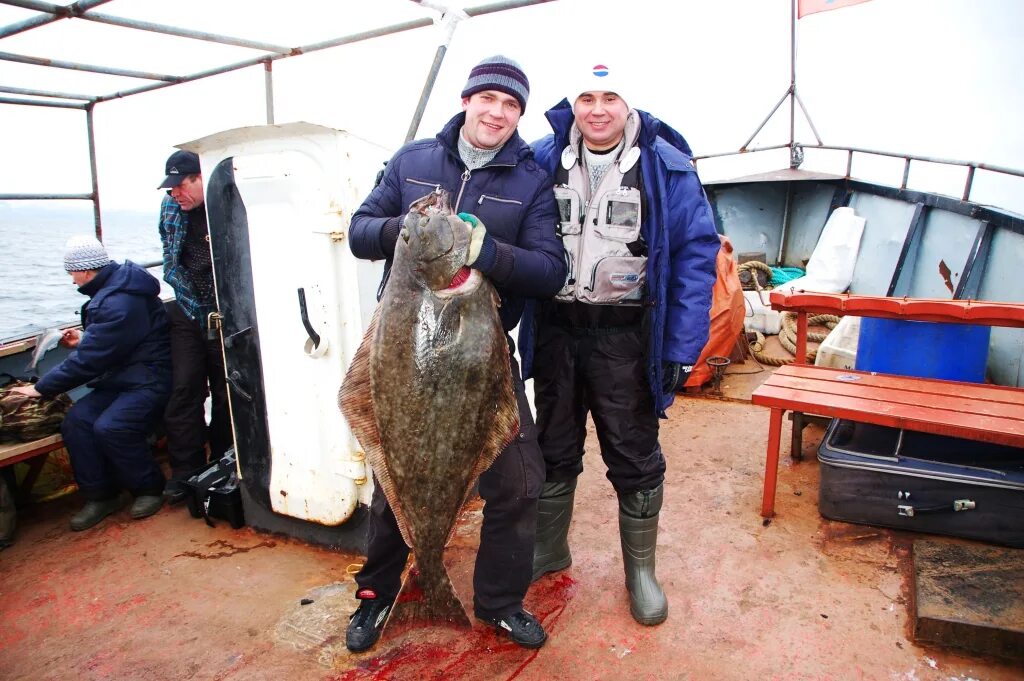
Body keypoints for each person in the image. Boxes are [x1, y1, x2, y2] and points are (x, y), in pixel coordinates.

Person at [343, 55, 565, 653]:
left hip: (479, 357)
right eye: (487, 98)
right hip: (402, 352)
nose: (497, 112)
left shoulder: (531, 180)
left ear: (519, 115)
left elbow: (549, 272)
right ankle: (377, 594)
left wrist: (485, 252)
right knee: (400, 477)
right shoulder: (413, 160)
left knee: (521, 480)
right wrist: (407, 233)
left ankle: (499, 602)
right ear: (467, 100)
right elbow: (361, 231)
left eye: (511, 105)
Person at [523, 62, 720, 626]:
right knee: (553, 447)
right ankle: (549, 547)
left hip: (626, 340)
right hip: (556, 332)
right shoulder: (539, 157)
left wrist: (682, 348)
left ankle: (641, 571)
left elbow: (694, 256)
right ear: (573, 103)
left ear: (627, 103)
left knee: (633, 455)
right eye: (586, 97)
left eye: (610, 97)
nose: (597, 109)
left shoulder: (665, 166)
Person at [11, 236, 172, 531]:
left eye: (71, 272)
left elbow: (91, 360)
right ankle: (101, 495)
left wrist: (40, 387)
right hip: (122, 377)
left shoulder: (119, 301)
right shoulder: (115, 290)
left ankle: (149, 488)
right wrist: (86, 340)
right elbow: (114, 343)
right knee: (77, 421)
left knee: (112, 426)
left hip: (149, 378)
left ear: (85, 271)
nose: (72, 279)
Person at [157, 150, 232, 501]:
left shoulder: (227, 205)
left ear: (200, 178)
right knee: (184, 388)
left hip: (226, 312)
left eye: (181, 186)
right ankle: (185, 471)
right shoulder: (170, 209)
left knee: (226, 390)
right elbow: (170, 262)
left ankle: (223, 463)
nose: (175, 194)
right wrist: (194, 307)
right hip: (188, 309)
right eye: (171, 189)